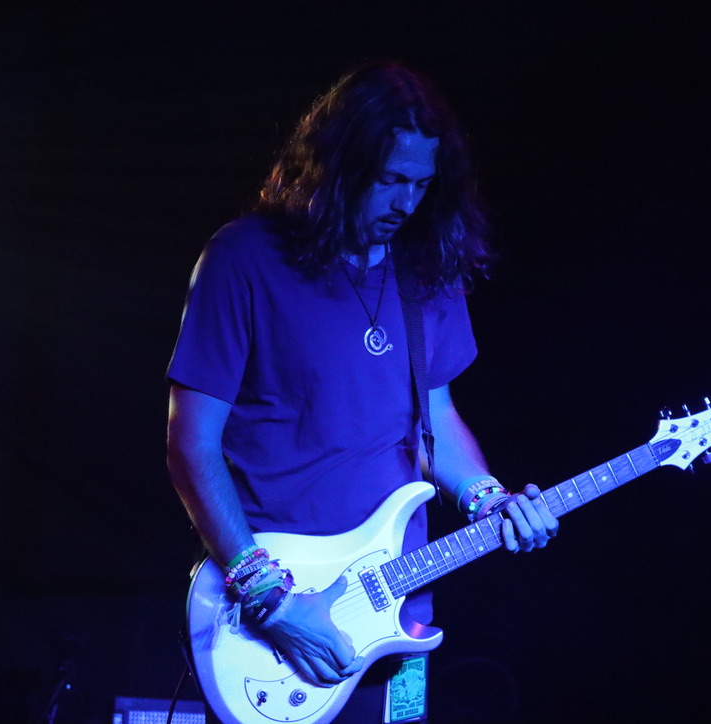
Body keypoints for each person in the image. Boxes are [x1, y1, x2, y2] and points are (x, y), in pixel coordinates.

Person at [166, 60, 559, 723]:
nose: (407, 204)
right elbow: (190, 445)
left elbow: (435, 418)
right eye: (390, 181)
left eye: (422, 185)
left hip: (398, 611)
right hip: (277, 610)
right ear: (337, 165)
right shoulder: (244, 258)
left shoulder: (429, 270)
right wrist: (270, 600)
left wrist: (490, 499)